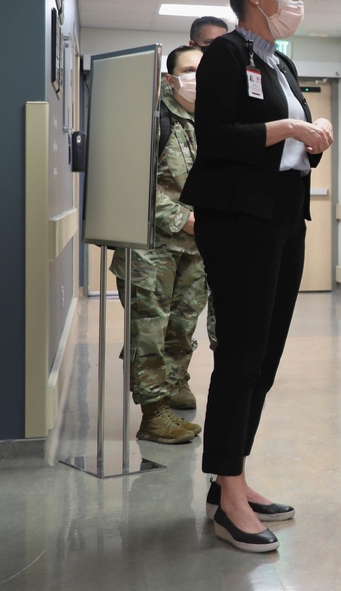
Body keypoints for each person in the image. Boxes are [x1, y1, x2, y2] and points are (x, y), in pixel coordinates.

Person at [180, 0, 333, 553]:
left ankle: (231, 475)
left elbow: (286, 141)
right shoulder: (224, 55)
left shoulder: (281, 62)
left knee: (264, 355)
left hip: (282, 215)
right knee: (241, 353)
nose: (296, 1)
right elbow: (218, 139)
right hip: (238, 220)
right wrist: (292, 130)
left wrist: (311, 137)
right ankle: (229, 496)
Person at [110, 45, 209, 443]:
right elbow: (132, 179)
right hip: (151, 248)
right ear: (170, 78)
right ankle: (152, 415)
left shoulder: (209, 121)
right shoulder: (153, 119)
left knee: (181, 330)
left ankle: (168, 396)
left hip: (195, 250)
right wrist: (182, 218)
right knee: (149, 331)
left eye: (204, 71)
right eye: (189, 70)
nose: (196, 79)